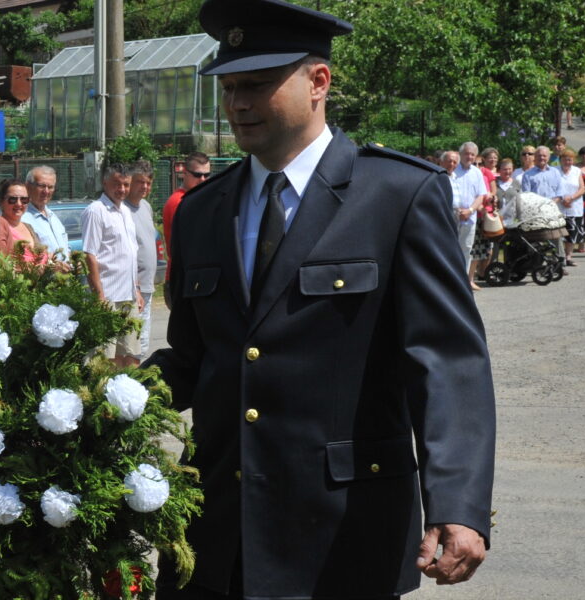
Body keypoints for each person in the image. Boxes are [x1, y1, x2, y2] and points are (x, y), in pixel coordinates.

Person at [148, 1, 495, 597]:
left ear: (319, 82)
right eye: (229, 88)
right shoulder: (202, 212)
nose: (238, 103)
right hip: (219, 536)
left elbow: (446, 360)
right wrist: (93, 398)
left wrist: (458, 502)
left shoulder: (397, 195)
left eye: (257, 84)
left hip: (342, 538)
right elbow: (192, 358)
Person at [81, 163, 143, 368]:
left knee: (130, 354)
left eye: (126, 184)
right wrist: (99, 296)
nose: (122, 189)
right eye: (117, 184)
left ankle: (128, 387)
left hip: (128, 296)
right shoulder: (96, 211)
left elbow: (131, 254)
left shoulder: (125, 211)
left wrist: (137, 289)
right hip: (107, 296)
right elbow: (90, 255)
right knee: (104, 358)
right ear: (105, 183)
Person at [125, 161, 159, 358]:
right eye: (140, 182)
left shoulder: (146, 207)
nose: (144, 187)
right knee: (131, 342)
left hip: (147, 285)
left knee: (143, 341)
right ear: (130, 182)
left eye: (148, 183)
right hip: (131, 288)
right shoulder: (123, 209)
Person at [441, 150, 488, 289]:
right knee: (448, 248)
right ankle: (446, 282)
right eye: (449, 161)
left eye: (454, 162)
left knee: (466, 249)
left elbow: (480, 195)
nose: (452, 164)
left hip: (468, 217)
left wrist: (469, 210)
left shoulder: (457, 176)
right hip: (448, 218)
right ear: (442, 162)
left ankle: (462, 282)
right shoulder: (439, 177)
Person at [164, 152, 213, 252]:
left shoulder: (195, 197)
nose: (202, 179)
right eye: (197, 175)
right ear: (185, 173)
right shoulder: (179, 201)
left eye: (206, 175)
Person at [20, 166, 71, 260]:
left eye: (50, 187)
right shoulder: (22, 219)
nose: (46, 191)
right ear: (28, 186)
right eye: (41, 186)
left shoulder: (53, 216)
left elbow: (66, 249)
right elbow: (27, 257)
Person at [557, 149, 585, 267]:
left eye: (570, 160)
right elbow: (552, 187)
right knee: (559, 233)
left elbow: (582, 189)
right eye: (565, 160)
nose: (567, 162)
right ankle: (560, 256)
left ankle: (568, 256)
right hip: (559, 206)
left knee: (572, 233)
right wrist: (563, 199)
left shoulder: (577, 171)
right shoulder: (555, 171)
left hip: (574, 206)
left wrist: (571, 198)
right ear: (560, 160)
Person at [0, 178, 42, 249]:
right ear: (1, 201)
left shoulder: (29, 227)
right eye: (13, 199)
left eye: (24, 199)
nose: (18, 204)